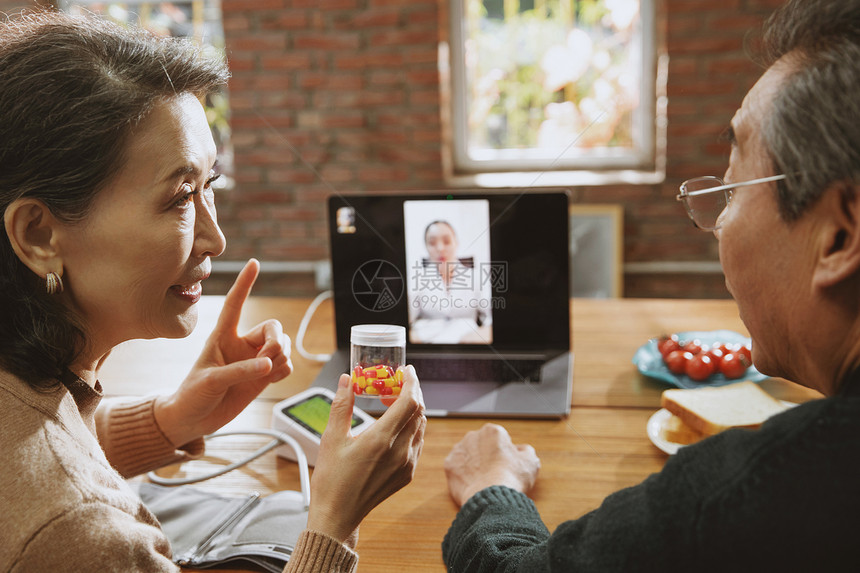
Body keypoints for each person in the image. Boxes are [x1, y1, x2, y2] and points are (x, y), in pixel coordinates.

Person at [0, 10, 425, 572]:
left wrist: (171, 420)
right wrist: (333, 523)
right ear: (38, 234)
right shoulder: (83, 531)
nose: (216, 238)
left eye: (210, 186)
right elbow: (58, 505)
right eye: (179, 197)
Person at [442, 0, 860, 570]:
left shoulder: (759, 492)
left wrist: (493, 488)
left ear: (839, 236)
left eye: (733, 191)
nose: (714, 228)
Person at [409, 220, 491, 344]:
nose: (440, 248)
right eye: (432, 243)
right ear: (426, 247)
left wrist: (473, 338)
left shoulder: (476, 277)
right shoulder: (417, 278)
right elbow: (408, 320)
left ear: (456, 243)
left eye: (447, 241)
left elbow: (490, 321)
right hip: (428, 343)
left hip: (466, 343)